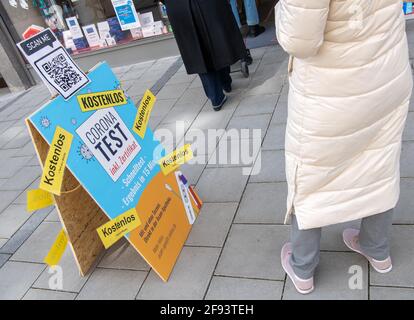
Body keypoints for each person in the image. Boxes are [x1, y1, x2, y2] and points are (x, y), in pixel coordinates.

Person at [275, 0, 412, 294]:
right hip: (386, 71)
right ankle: (377, 250)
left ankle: (303, 268)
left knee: (311, 174)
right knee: (381, 163)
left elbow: (300, 40)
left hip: (333, 88)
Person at [160, 0, 247, 111]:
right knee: (218, 40)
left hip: (178, 6)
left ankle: (216, 96)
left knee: (197, 50)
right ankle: (225, 82)